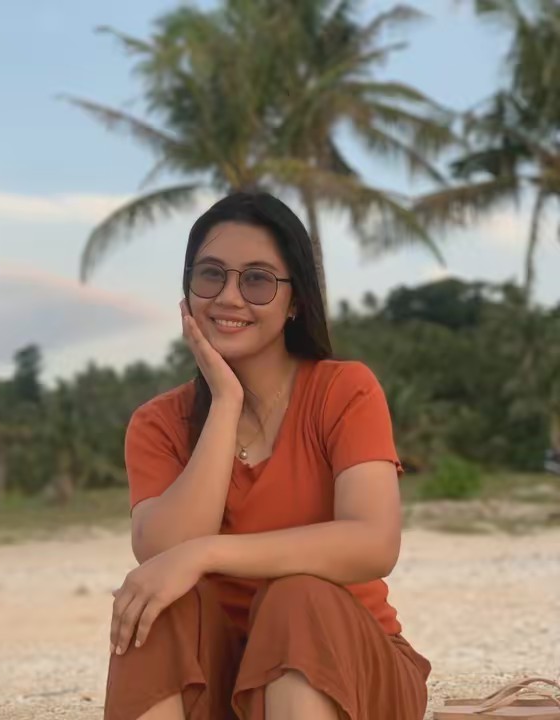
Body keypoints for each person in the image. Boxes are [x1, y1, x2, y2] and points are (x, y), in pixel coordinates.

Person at [103, 192, 432, 720]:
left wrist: (207, 554)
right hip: (218, 678)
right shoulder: (158, 423)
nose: (229, 297)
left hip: (346, 670)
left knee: (297, 597)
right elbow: (163, 553)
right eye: (211, 275)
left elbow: (374, 543)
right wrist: (226, 402)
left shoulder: (344, 391)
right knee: (157, 606)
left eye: (256, 280)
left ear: (295, 300)